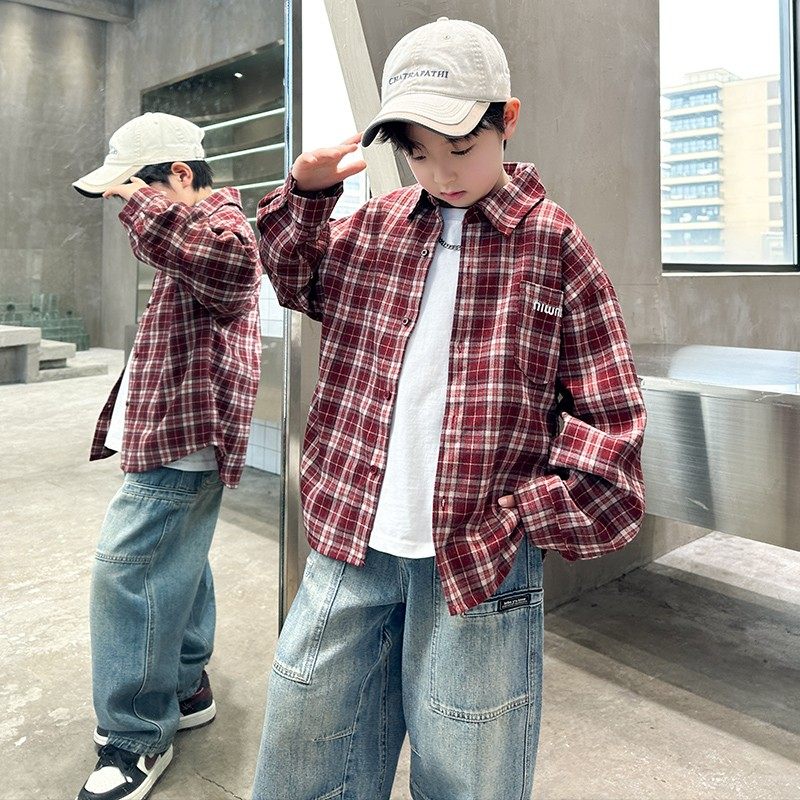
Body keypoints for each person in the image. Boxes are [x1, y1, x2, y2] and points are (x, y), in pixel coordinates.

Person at [253, 17, 646, 800]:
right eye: (419, 152)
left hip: (478, 559)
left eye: (461, 146)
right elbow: (293, 277)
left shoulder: (554, 245)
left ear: (508, 118)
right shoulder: (374, 228)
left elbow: (611, 420)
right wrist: (306, 192)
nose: (442, 171)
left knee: (468, 777)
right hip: (351, 544)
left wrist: (521, 515)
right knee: (305, 758)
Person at [71, 112, 262, 800]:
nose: (129, 210)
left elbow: (232, 268)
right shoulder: (193, 231)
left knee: (126, 575)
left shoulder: (223, 228)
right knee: (177, 560)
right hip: (173, 431)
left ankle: (134, 736)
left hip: (183, 442)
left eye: (136, 191)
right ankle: (184, 687)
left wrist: (145, 206)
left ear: (180, 174)